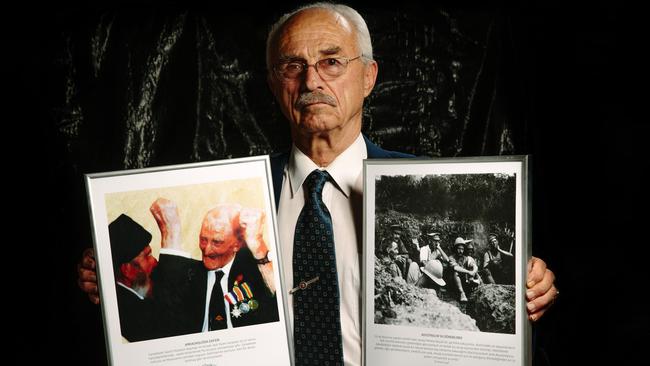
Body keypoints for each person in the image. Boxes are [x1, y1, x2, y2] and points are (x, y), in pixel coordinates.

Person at [78, 3, 559, 365]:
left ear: (368, 76)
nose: (311, 79)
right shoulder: (235, 198)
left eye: (332, 62)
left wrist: (530, 287)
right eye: (292, 65)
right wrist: (120, 279)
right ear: (273, 83)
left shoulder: (420, 183)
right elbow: (187, 306)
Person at [149, 198, 278, 335]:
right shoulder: (187, 275)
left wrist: (257, 243)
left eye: (217, 242)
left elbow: (277, 304)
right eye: (203, 240)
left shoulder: (254, 274)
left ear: (237, 244)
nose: (207, 250)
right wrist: (170, 232)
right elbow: (163, 314)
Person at [108, 214, 160, 342]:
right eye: (147, 256)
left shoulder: (152, 289)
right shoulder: (125, 314)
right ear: (126, 270)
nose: (155, 261)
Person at [449, 237, 480, 302]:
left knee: (472, 268)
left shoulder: (465, 258)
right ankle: (462, 293)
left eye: (462, 249)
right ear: (455, 249)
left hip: (464, 280)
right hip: (453, 282)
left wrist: (473, 272)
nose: (460, 251)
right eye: (459, 249)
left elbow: (474, 266)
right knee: (456, 272)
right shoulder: (451, 257)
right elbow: (455, 268)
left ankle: (478, 284)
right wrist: (468, 272)